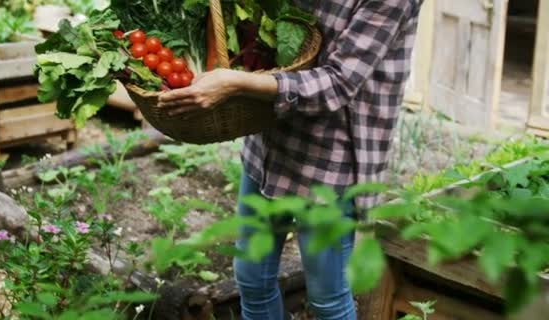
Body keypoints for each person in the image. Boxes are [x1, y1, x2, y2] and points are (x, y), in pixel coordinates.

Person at [158, 0, 422, 318]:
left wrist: (235, 82)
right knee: (252, 280)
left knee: (328, 298)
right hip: (270, 136)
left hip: (331, 157)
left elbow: (339, 83)